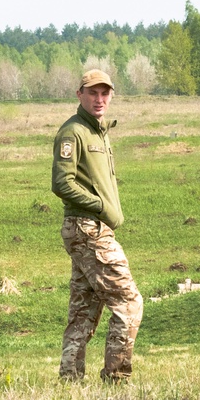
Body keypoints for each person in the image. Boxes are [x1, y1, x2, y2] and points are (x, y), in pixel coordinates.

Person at [52, 70, 143, 382]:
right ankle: (117, 377)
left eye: (105, 93)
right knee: (128, 302)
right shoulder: (73, 132)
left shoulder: (100, 132)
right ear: (79, 95)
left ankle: (70, 379)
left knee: (83, 310)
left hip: (92, 228)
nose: (99, 99)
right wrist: (101, 207)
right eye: (93, 93)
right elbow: (61, 183)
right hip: (87, 228)